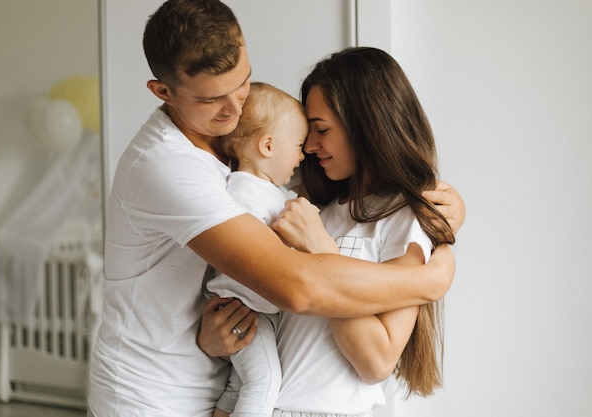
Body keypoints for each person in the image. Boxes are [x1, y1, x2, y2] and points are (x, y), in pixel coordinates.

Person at [87, 1, 466, 416]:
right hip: (153, 396)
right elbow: (298, 288)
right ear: (163, 92)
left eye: (243, 84)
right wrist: (431, 279)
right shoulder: (168, 167)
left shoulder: (247, 152)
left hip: (219, 383)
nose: (235, 111)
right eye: (213, 99)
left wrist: (444, 216)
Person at [205, 82, 308, 417]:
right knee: (263, 383)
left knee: (239, 385)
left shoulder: (268, 191)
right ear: (267, 145)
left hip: (255, 310)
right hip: (242, 309)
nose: (302, 156)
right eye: (298, 146)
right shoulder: (243, 194)